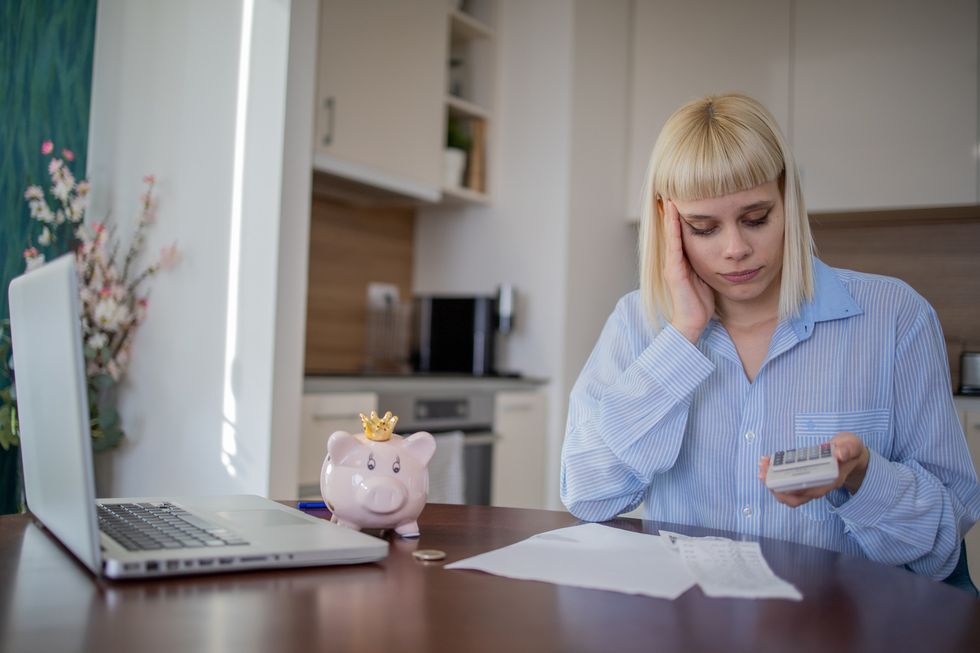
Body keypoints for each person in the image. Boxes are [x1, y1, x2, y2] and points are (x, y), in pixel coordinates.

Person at [560, 93, 980, 587]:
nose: (735, 249)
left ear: (789, 200)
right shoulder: (637, 323)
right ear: (668, 223)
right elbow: (588, 495)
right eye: (703, 227)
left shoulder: (894, 318)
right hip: (693, 623)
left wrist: (863, 478)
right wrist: (683, 336)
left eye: (756, 218)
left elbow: (942, 542)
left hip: (845, 624)